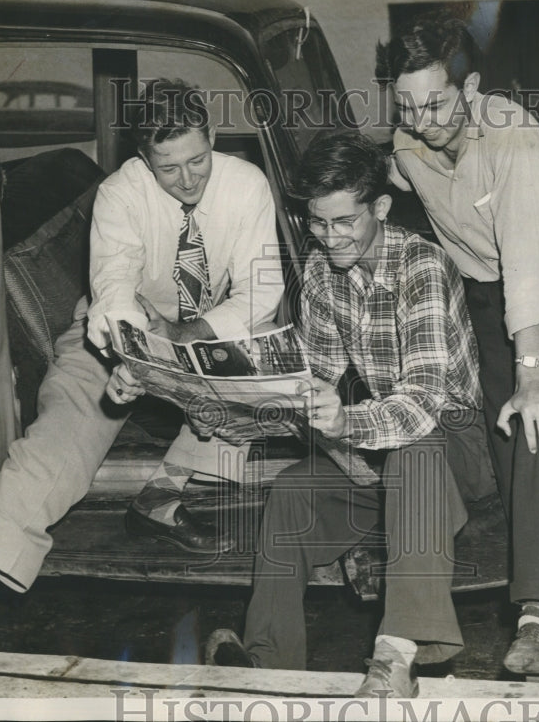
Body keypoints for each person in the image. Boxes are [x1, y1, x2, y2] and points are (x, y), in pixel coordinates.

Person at [0, 78, 284, 674]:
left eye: (197, 159)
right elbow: (113, 291)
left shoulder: (247, 185)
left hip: (208, 334)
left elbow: (261, 293)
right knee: (58, 436)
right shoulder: (120, 194)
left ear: (212, 137)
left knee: (238, 393)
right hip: (111, 340)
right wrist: (135, 358)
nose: (188, 179)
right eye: (169, 168)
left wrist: (189, 342)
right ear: (143, 157)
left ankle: (159, 501)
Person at [375, 14, 539, 687]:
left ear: (469, 87)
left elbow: (527, 254)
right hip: (495, 309)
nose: (421, 118)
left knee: (537, 427)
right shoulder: (409, 142)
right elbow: (400, 172)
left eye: (435, 102)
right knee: (528, 474)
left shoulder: (510, 133)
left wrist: (532, 376)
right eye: (405, 105)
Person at [204, 132, 492, 698]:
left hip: (456, 446)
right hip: (377, 444)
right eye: (317, 222)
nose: (328, 238)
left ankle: (396, 657)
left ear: (380, 208)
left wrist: (348, 425)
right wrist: (244, 411)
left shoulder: (422, 268)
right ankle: (270, 669)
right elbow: (321, 385)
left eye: (343, 222)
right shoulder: (319, 270)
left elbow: (424, 404)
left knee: (417, 451)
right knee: (291, 493)